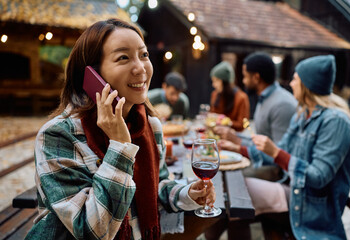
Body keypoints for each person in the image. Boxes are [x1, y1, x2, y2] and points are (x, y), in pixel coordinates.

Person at [25, 18, 216, 240]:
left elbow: (158, 183)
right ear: (92, 75)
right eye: (123, 57)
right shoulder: (58, 135)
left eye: (143, 55)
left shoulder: (149, 126)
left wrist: (186, 194)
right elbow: (91, 231)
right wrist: (120, 147)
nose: (140, 68)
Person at [219, 55, 350, 239]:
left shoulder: (336, 123)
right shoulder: (301, 115)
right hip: (291, 190)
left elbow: (318, 177)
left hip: (310, 206)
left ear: (308, 85)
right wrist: (239, 148)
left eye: (295, 79)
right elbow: (277, 153)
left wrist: (277, 153)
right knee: (235, 196)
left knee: (236, 191)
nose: (291, 83)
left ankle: (207, 230)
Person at [214, 52, 298, 181]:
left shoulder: (282, 104)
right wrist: (234, 137)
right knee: (217, 167)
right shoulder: (265, 98)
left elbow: (280, 155)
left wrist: (238, 145)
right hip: (262, 161)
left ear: (256, 77)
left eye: (245, 76)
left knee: (230, 177)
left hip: (277, 173)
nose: (243, 81)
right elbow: (260, 141)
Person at [209, 61, 250, 131]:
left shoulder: (241, 98)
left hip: (234, 136)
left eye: (216, 81)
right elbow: (212, 115)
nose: (213, 85)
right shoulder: (215, 94)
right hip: (215, 134)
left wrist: (227, 122)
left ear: (225, 82)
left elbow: (242, 125)